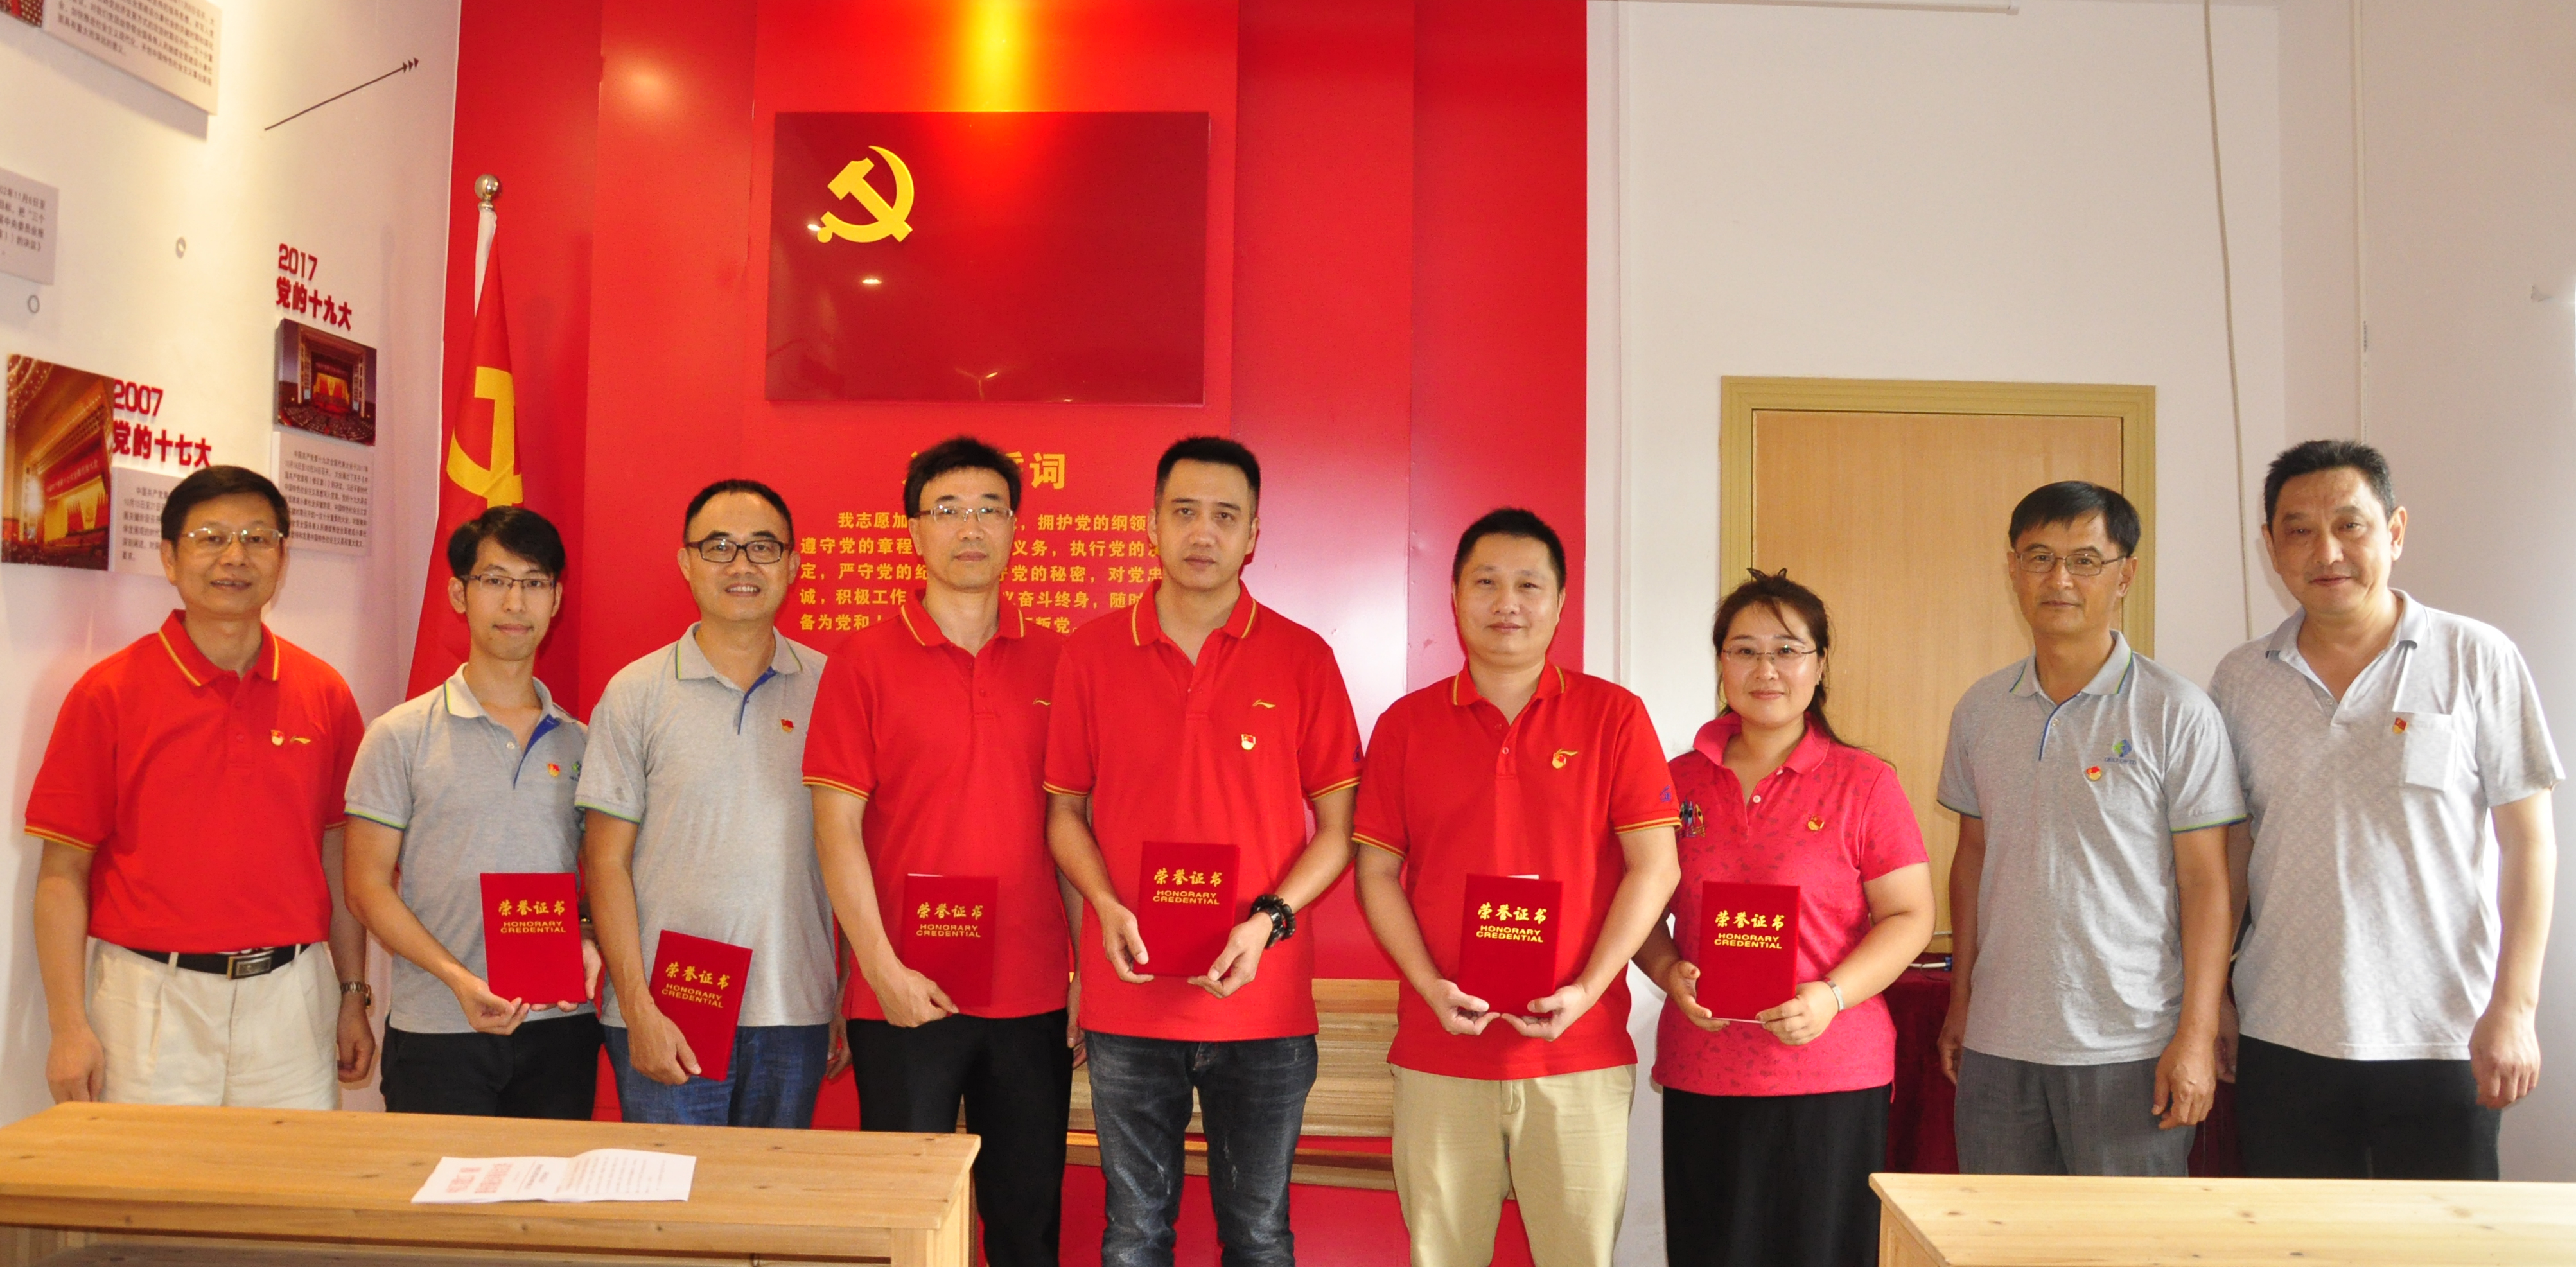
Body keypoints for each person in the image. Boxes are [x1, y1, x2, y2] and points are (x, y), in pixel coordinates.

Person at [1044, 437, 1363, 1267]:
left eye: (1225, 515)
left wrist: (1268, 919)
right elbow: (1064, 812)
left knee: (1258, 1236)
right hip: (1129, 998)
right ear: (1151, 523)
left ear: (1253, 534)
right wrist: (1104, 904)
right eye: (1184, 511)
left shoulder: (1302, 657)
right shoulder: (1090, 651)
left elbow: (1339, 828)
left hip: (1262, 1003)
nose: (1202, 532)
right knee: (1133, 1234)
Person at [2213, 440, 2559, 1180]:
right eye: (2300, 529)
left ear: (2395, 531)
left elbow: (2530, 843)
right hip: (2284, 1030)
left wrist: (2515, 1006)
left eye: (2351, 524)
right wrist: (2213, 995)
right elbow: (2233, 851)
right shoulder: (2241, 679)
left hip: (2442, 1030)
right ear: (2271, 546)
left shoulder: (2476, 656)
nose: (2327, 551)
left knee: (2443, 1237)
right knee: (2296, 1236)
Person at [1352, 509, 1681, 1267]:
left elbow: (1656, 865)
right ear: (1455, 596)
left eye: (1529, 585)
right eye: (1486, 582)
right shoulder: (1405, 724)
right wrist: (1431, 987)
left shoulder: (1615, 716)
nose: (1507, 602)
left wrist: (1588, 988)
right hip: (1441, 1049)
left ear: (1560, 602)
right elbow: (1377, 871)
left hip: (1578, 1052)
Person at [26, 465, 374, 1107]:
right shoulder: (107, 693)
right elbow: (61, 873)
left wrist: (353, 990)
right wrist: (68, 1026)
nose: (235, 556)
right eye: (210, 537)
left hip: (292, 996)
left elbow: (339, 852)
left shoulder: (323, 692)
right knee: (152, 1174)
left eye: (257, 538)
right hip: (149, 998)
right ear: (169, 557)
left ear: (281, 558)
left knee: (290, 1172)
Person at [805, 438, 1075, 1265]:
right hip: (904, 992)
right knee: (903, 1222)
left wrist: (1085, 974)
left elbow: (1076, 827)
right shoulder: (861, 659)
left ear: (1016, 527)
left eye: (990, 509)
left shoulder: (1061, 660)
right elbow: (835, 828)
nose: (971, 527)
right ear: (914, 530)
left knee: (1026, 1226)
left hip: (1031, 993)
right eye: (948, 510)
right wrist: (878, 968)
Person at [1935, 481, 2241, 1176]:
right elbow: (1971, 857)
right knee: (1997, 1232)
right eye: (2039, 557)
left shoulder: (2175, 710)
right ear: (2012, 569)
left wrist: (2195, 1033)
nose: (2060, 579)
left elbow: (2205, 883)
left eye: (2084, 560)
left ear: (2124, 574)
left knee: (2125, 1235)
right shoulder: (1980, 709)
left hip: (2131, 1046)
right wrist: (1961, 1001)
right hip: (1998, 1044)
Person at [1639, 569, 1934, 1267]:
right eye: (1744, 650)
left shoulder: (1865, 782)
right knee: (1712, 1251)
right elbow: (1635, 907)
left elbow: (1910, 914)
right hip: (1705, 1066)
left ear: (1820, 663)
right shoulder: (1674, 781)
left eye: (1787, 650)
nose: (1765, 669)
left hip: (1830, 1070)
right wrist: (1666, 970)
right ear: (1720, 663)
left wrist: (1830, 995)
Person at [578, 478, 843, 1126]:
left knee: (771, 1190)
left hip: (793, 1008)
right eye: (719, 546)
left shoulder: (834, 688)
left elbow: (855, 853)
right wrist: (637, 1005)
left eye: (763, 547)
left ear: (793, 564)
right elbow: (605, 861)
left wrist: (845, 994)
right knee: (673, 1192)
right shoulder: (635, 692)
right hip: (669, 1008)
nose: (741, 564)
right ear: (686, 562)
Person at [344, 505, 602, 1118]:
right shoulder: (400, 735)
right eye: (495, 580)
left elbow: (599, 874)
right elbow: (365, 886)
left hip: (560, 1026)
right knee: (435, 1182)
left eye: (534, 582)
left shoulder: (583, 743)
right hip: (438, 1027)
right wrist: (458, 978)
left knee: (548, 1182)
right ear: (459, 594)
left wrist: (589, 935)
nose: (515, 601)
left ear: (556, 599)